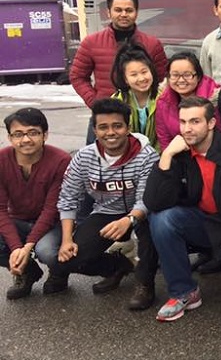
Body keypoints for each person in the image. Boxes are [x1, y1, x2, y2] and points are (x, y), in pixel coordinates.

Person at [145, 97, 221, 322]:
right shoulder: (178, 154)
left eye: (195, 121)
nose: (187, 128)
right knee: (162, 218)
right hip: (203, 223)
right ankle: (184, 292)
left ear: (211, 123)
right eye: (183, 122)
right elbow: (154, 202)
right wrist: (166, 156)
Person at [48, 99, 159, 310]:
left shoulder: (147, 155)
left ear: (128, 128)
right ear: (95, 130)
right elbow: (68, 197)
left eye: (117, 126)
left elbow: (146, 198)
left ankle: (145, 283)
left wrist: (128, 220)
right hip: (106, 212)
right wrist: (66, 240)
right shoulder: (84, 156)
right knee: (67, 259)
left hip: (141, 213)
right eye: (103, 127)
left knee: (151, 233)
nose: (111, 132)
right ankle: (117, 266)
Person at [70, 0, 167, 141]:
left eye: (129, 10)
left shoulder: (152, 44)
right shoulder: (91, 42)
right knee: (98, 161)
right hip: (104, 117)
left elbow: (160, 77)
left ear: (136, 12)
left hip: (146, 118)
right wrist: (96, 103)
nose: (123, 14)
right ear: (108, 12)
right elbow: (77, 76)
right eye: (118, 10)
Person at [0, 108, 70, 299]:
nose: (25, 140)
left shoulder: (61, 160)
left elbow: (51, 209)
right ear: (9, 137)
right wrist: (16, 249)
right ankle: (27, 271)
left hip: (53, 222)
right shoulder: (2, 160)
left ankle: (59, 272)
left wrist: (27, 246)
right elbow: (0, 210)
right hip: (19, 219)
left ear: (45, 134)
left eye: (33, 132)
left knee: (46, 251)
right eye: (18, 134)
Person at [156, 52, 221, 151]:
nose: (181, 80)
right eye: (175, 75)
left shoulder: (215, 98)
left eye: (187, 75)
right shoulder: (163, 101)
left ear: (198, 76)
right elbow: (164, 139)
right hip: (180, 155)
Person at [110, 43, 160, 151]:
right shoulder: (117, 102)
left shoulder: (164, 98)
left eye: (144, 72)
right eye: (134, 75)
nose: (141, 78)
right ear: (125, 79)